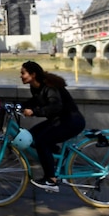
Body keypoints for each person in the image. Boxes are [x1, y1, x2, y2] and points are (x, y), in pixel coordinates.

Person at [20, 60, 85, 192]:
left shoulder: (49, 86)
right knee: (31, 137)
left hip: (71, 121)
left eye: (23, 73)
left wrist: (34, 112)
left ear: (32, 74)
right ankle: (62, 155)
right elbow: (35, 101)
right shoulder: (35, 87)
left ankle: (51, 180)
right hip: (59, 120)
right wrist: (17, 105)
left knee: (42, 142)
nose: (20, 76)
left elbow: (55, 106)